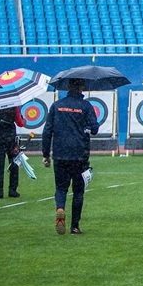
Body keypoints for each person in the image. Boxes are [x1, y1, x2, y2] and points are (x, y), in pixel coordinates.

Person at [41, 79, 100, 235]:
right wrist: (85, 126)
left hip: (60, 154)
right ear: (81, 88)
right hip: (79, 155)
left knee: (61, 188)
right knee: (78, 191)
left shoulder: (56, 106)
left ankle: (60, 208)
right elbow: (95, 129)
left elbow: (47, 132)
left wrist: (46, 154)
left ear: (68, 87)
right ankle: (74, 226)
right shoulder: (86, 106)